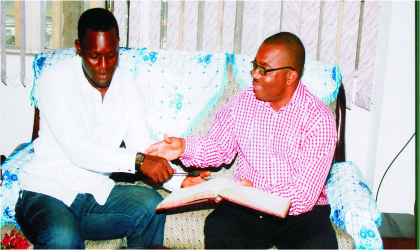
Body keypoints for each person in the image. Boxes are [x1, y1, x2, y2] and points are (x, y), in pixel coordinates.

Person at [146, 32, 339, 249]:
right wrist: (182, 146)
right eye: (255, 66)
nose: (255, 75)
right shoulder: (243, 102)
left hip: (301, 214)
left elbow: (303, 196)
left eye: (264, 69)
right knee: (218, 226)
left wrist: (255, 193)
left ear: (290, 77)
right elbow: (218, 147)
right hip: (247, 208)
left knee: (320, 245)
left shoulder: (318, 119)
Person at [15, 8, 176, 249]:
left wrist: (184, 181)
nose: (103, 65)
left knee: (151, 206)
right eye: (94, 56)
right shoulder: (55, 80)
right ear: (79, 47)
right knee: (63, 239)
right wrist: (140, 160)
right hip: (46, 193)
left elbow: (144, 148)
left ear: (118, 46)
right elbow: (79, 149)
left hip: (94, 195)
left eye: (111, 55)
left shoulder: (128, 89)